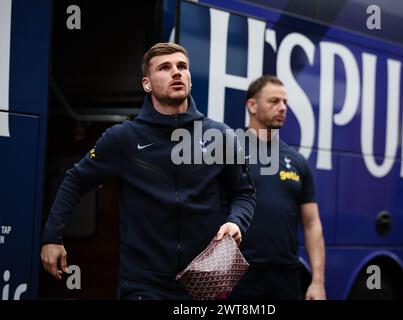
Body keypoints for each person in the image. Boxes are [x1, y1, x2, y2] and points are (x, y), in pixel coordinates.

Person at [40, 43, 256, 299]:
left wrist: (235, 221)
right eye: (165, 68)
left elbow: (244, 193)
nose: (176, 72)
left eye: (182, 67)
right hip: (144, 284)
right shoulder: (123, 138)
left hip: (205, 281)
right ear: (147, 84)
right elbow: (75, 181)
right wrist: (52, 237)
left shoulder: (220, 135)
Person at [230, 75, 326, 300]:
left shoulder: (297, 160)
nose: (282, 108)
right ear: (252, 105)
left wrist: (318, 281)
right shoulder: (229, 150)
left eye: (285, 102)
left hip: (287, 275)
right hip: (239, 275)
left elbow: (312, 224)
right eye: (274, 101)